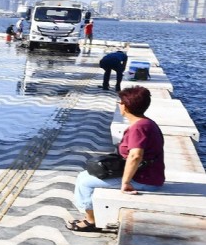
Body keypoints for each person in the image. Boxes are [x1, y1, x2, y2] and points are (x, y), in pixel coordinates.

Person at [68, 86, 165, 232]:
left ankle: (92, 221)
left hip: (144, 179)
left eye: (120, 102)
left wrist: (125, 183)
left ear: (125, 106)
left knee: (84, 182)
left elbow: (135, 156)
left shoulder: (139, 128)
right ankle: (94, 215)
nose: (119, 105)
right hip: (148, 174)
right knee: (85, 175)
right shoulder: (146, 122)